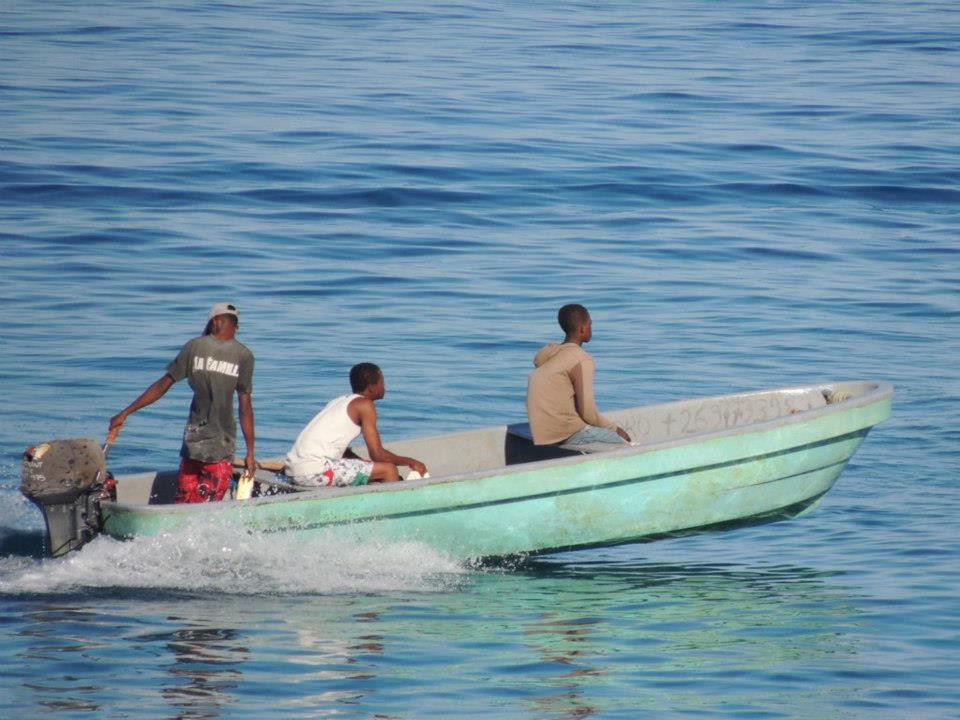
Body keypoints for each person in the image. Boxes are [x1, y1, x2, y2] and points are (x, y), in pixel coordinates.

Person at [108, 302, 256, 503]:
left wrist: (125, 413)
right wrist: (250, 452)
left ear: (214, 322)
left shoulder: (194, 346)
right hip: (220, 449)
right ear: (236, 326)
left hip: (191, 446)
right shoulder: (244, 355)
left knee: (184, 502)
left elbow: (163, 384)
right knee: (207, 509)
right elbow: (245, 406)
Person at [283, 362, 427, 487]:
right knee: (389, 470)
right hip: (314, 471)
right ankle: (389, 513)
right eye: (382, 381)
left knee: (376, 471)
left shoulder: (339, 402)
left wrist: (369, 468)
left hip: (294, 469)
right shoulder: (365, 405)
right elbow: (377, 454)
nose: (385, 386)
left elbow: (344, 452)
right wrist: (411, 462)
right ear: (371, 387)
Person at [526, 303, 631, 449]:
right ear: (582, 329)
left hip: (540, 431)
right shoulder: (581, 359)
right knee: (624, 441)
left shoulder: (551, 354)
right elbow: (588, 412)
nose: (591, 328)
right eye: (590, 325)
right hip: (565, 433)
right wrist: (615, 429)